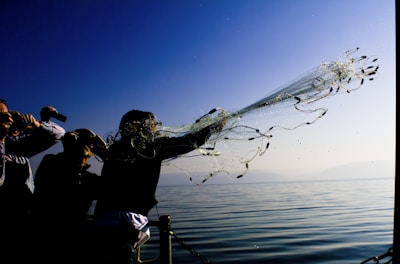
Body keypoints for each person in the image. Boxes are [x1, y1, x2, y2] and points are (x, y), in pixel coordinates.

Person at [91, 109, 225, 264]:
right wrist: (213, 128)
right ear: (144, 127)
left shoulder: (114, 150)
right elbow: (189, 141)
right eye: (153, 124)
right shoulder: (153, 148)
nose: (156, 128)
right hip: (128, 226)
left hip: (101, 221)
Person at [0, 98, 65, 263]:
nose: (7, 119)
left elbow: (59, 134)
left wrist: (39, 124)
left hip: (25, 219)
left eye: (7, 115)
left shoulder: (18, 147)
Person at [31, 128, 107, 263]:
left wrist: (106, 154)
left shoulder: (90, 180)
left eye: (87, 144)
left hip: (76, 243)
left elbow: (119, 183)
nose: (82, 146)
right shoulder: (50, 163)